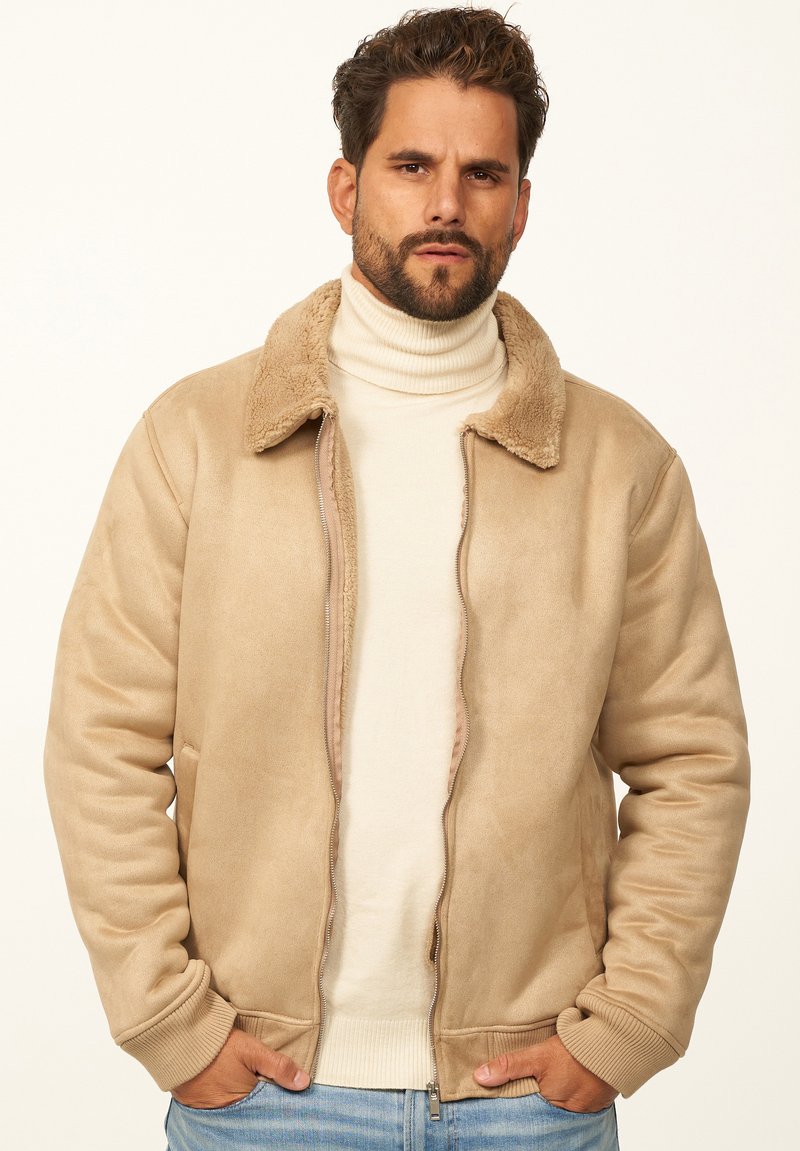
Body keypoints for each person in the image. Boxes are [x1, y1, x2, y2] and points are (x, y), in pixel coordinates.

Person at [43, 8, 750, 1149]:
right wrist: (173, 1018)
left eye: (483, 174)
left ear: (521, 204)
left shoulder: (619, 467)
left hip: (525, 1102)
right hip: (265, 1095)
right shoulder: (197, 439)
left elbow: (692, 759)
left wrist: (623, 1024)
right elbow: (100, 741)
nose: (445, 204)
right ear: (346, 187)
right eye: (411, 166)